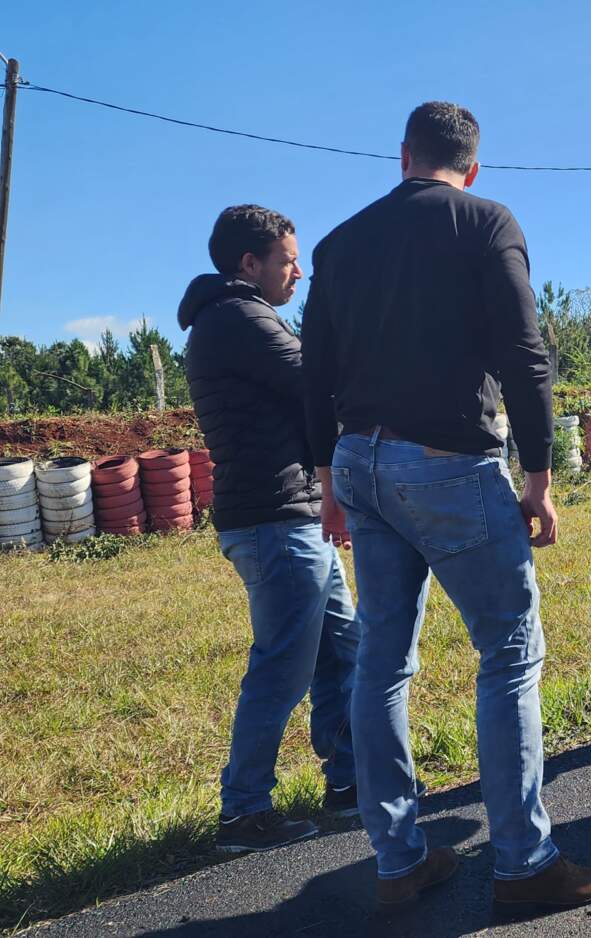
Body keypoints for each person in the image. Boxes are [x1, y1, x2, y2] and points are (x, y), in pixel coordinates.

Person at [301, 101, 591, 908]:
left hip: (358, 465)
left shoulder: (339, 242)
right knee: (509, 654)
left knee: (381, 663)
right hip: (447, 462)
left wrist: (323, 482)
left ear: (403, 156)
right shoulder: (486, 221)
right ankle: (523, 863)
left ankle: (399, 861)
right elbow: (524, 353)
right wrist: (541, 478)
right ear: (471, 166)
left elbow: (313, 372)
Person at [179, 204, 361, 853]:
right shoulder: (239, 318)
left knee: (343, 646)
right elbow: (320, 381)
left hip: (292, 514)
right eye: (289, 259)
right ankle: (244, 810)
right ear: (249, 263)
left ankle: (349, 781)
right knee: (283, 664)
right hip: (274, 517)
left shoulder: (237, 317)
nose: (299, 271)